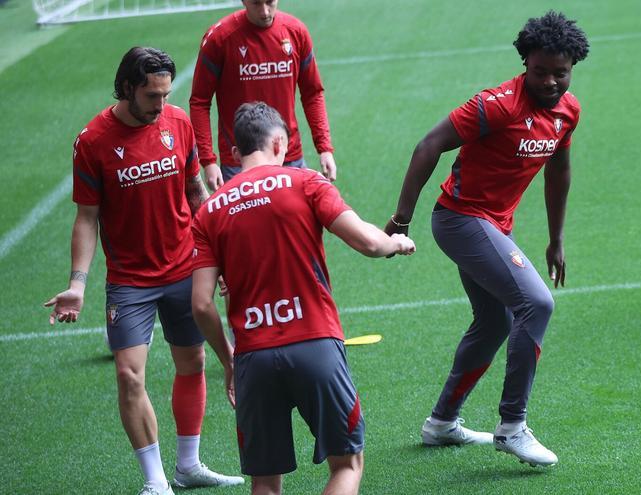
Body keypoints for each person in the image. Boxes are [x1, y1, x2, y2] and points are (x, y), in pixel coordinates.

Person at [384, 11, 589, 467]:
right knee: (537, 303)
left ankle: (441, 424)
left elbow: (559, 171)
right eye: (541, 72)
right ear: (524, 64)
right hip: (459, 220)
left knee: (494, 323)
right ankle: (512, 426)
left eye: (561, 73)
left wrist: (556, 239)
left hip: (494, 226)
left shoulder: (567, 111)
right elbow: (429, 145)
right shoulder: (497, 105)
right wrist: (401, 219)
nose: (552, 82)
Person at [43, 47, 244, 495]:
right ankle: (156, 482)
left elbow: (196, 194)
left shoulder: (177, 124)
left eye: (166, 94)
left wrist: (219, 259)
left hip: (184, 266)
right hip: (131, 281)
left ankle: (188, 466)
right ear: (128, 88)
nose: (160, 104)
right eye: (152, 96)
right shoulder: (93, 141)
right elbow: (86, 218)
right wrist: (78, 284)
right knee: (128, 374)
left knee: (190, 361)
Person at [190, 101, 415, 495]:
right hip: (314, 345)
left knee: (265, 481)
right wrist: (394, 242)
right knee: (347, 465)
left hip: (252, 358)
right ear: (279, 142)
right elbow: (366, 241)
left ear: (235, 151)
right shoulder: (305, 181)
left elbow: (201, 304)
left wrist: (229, 361)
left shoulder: (210, 210)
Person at [190, 0, 337, 190]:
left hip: (288, 155)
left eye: (270, 2)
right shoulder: (220, 38)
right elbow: (200, 101)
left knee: (297, 219)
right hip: (241, 161)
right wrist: (208, 160)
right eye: (256, 4)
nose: (265, 11)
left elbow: (312, 93)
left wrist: (324, 148)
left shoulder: (296, 32)